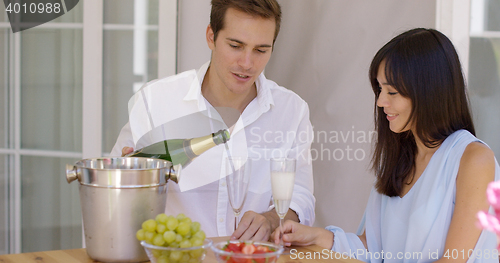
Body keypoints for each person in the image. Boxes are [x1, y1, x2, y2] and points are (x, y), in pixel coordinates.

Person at [271, 28, 500, 262]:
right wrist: (316, 237)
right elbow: (372, 249)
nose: (381, 102)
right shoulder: (400, 157)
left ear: (429, 91)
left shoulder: (473, 160)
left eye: (393, 91)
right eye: (380, 89)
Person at [111, 0, 315, 241]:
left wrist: (271, 220)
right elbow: (115, 189)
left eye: (261, 50)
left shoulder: (292, 110)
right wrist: (127, 176)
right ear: (211, 36)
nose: (247, 63)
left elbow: (300, 197)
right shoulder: (154, 102)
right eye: (236, 46)